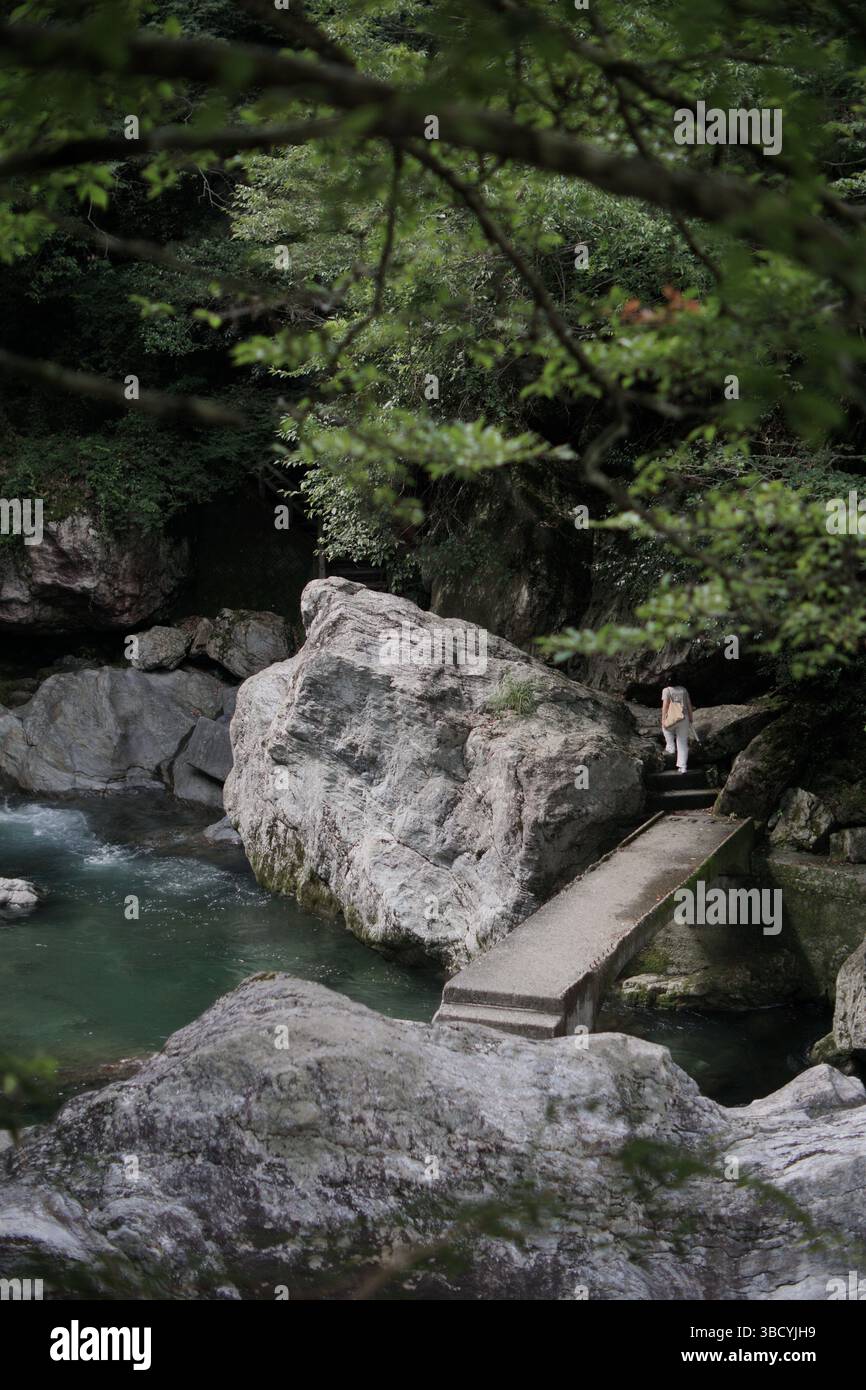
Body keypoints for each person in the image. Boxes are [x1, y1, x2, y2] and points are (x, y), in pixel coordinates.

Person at [661, 683, 694, 773]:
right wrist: (691, 717)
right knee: (682, 742)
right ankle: (683, 767)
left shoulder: (666, 690)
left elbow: (665, 706)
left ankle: (671, 746)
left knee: (666, 729)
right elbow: (689, 704)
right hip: (684, 718)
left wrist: (663, 719)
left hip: (672, 717)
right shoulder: (683, 690)